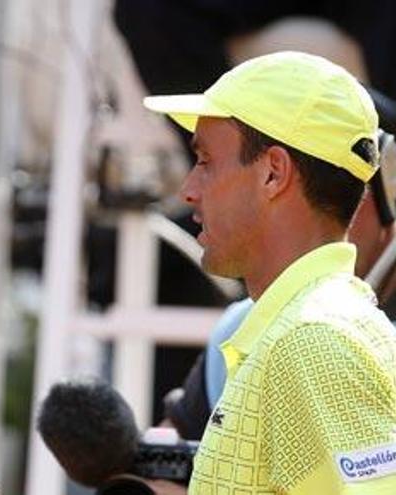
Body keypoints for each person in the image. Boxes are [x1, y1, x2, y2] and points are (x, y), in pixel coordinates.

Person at [141, 51, 396, 493]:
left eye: (205, 162)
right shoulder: (310, 333)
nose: (188, 190)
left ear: (273, 173)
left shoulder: (313, 341)